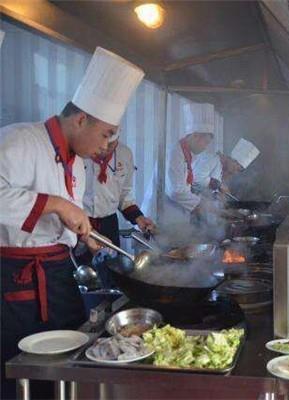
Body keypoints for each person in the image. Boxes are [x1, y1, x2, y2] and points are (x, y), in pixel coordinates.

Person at [0, 47, 143, 398]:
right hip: (15, 282)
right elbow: (50, 206)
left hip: (59, 276)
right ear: (80, 120)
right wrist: (55, 204)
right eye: (106, 134)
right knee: (18, 372)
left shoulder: (77, 162)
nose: (108, 145)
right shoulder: (18, 140)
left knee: (67, 365)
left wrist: (85, 235)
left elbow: (67, 217)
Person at [78, 133, 155, 265]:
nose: (105, 148)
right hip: (79, 224)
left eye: (111, 144)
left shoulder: (125, 154)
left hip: (109, 224)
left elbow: (124, 194)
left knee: (113, 270)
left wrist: (138, 217)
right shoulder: (79, 153)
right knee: (82, 271)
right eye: (101, 142)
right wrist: (86, 233)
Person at [164, 103, 215, 224]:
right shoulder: (175, 153)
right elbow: (175, 191)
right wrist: (201, 203)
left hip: (175, 213)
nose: (205, 147)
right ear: (195, 136)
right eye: (206, 142)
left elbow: (186, 183)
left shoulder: (187, 153)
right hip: (159, 215)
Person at [191, 138, 260, 199]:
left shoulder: (220, 169)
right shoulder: (211, 159)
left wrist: (221, 195)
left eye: (238, 171)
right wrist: (219, 185)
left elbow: (210, 190)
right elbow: (195, 177)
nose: (235, 172)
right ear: (233, 160)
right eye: (237, 169)